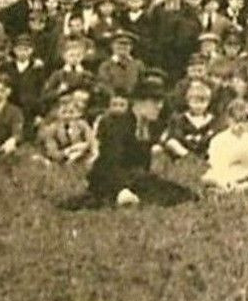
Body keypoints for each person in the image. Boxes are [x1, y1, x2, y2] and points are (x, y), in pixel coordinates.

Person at [70, 71, 195, 209]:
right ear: (138, 102)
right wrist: (122, 188)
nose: (159, 106)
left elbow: (143, 166)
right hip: (109, 178)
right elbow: (109, 164)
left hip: (137, 178)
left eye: (160, 102)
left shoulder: (150, 126)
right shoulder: (116, 124)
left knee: (182, 194)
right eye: (154, 101)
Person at [202, 100, 248, 192]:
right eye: (236, 121)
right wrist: (226, 176)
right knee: (209, 177)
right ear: (228, 120)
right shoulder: (219, 139)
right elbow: (216, 162)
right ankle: (230, 187)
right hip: (227, 171)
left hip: (246, 171)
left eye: (244, 122)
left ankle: (239, 188)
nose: (240, 126)